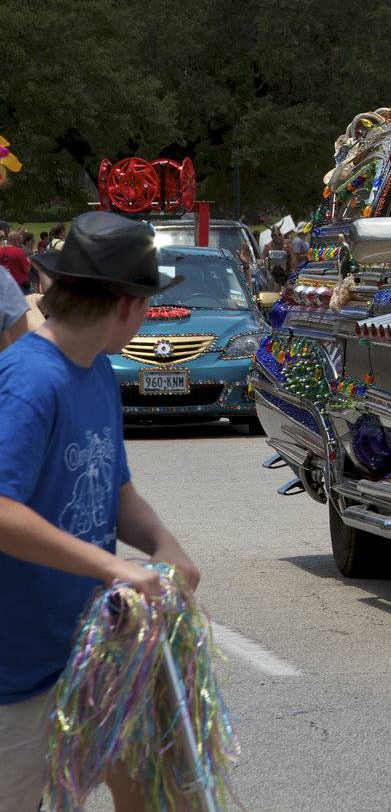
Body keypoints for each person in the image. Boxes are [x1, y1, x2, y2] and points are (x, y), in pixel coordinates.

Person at [0, 212, 201, 812]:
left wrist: (163, 545)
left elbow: (117, 492)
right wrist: (116, 569)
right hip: (16, 669)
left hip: (89, 648)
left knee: (148, 785)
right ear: (124, 304)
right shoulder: (28, 381)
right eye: (145, 302)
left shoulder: (98, 374)